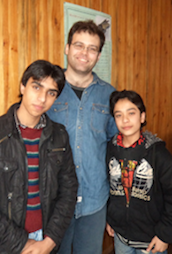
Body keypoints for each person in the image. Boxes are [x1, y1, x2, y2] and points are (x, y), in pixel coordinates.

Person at [0, 60, 78, 254]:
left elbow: (68, 191)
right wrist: (22, 243)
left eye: (51, 93)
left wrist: (50, 241)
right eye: (36, 87)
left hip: (46, 240)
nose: (42, 98)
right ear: (22, 86)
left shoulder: (60, 136)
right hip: (2, 242)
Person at [46, 20, 118, 254]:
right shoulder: (48, 88)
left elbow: (118, 144)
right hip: (54, 200)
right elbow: (24, 113)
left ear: (98, 55)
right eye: (79, 45)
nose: (84, 53)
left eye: (92, 48)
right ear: (67, 48)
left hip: (94, 200)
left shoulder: (109, 94)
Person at [106, 90, 172, 254]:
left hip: (151, 239)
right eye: (118, 115)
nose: (125, 120)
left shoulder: (158, 154)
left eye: (131, 113)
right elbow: (108, 187)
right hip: (121, 236)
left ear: (142, 117)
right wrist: (110, 218)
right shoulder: (110, 150)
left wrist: (165, 235)